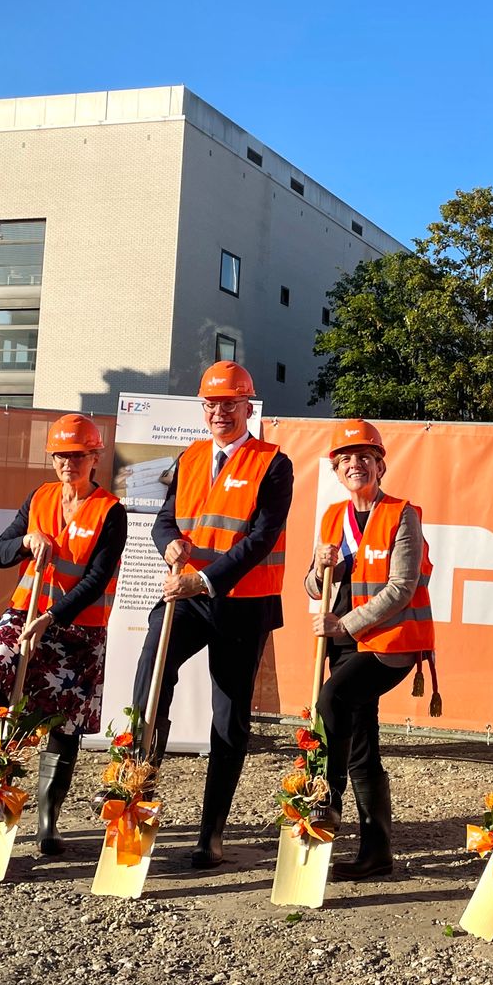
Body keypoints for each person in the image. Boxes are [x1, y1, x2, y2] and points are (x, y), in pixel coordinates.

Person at [131, 361, 293, 868]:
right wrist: (171, 543)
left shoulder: (273, 463)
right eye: (211, 403)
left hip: (243, 605)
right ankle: (136, 792)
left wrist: (206, 578)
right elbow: (163, 521)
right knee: (150, 679)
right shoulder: (191, 457)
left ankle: (212, 832)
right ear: (202, 408)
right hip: (187, 599)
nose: (220, 411)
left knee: (229, 716)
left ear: (248, 407)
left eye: (230, 403)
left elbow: (261, 538)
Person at [0, 413, 127, 854]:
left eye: (77, 456)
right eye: (60, 456)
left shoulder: (110, 511)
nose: (67, 464)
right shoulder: (39, 498)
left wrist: (54, 617)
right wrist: (26, 540)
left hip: (79, 627)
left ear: (94, 457)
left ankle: (47, 818)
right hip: (25, 611)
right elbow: (0, 552)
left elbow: (96, 578)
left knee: (64, 719)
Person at [304, 419, 434, 881]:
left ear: (381, 464)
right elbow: (310, 581)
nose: (355, 464)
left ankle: (327, 799)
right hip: (341, 644)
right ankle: (377, 852)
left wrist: (346, 621)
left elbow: (402, 586)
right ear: (337, 470)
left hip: (387, 645)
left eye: (365, 457)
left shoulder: (402, 514)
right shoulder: (331, 517)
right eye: (346, 459)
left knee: (333, 700)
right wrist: (322, 571)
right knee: (360, 738)